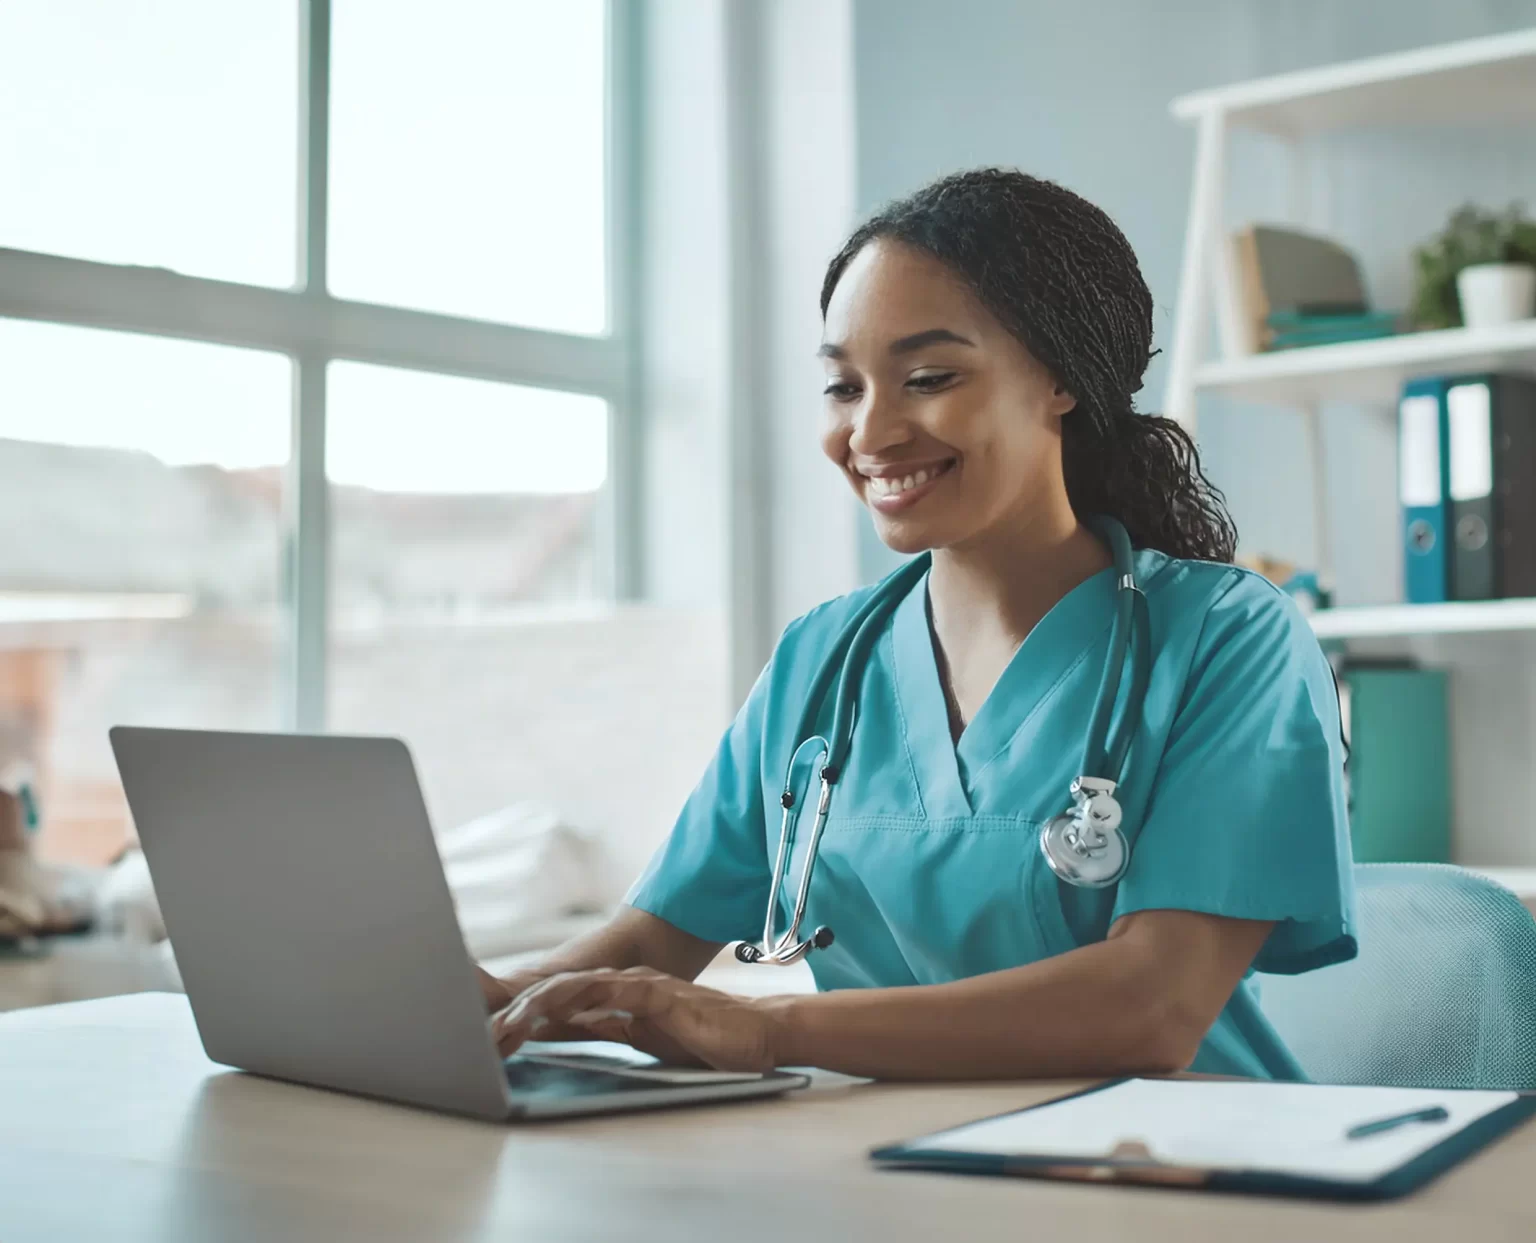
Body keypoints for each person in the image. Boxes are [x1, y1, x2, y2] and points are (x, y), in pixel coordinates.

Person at [481, 168, 1354, 1081]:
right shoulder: (822, 659)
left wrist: (774, 1030)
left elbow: (1153, 1007)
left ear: (1061, 377)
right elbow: (650, 942)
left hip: (1183, 1176)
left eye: (929, 378)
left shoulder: (1228, 636)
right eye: (843, 387)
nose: (873, 431)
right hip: (897, 1169)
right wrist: (483, 1001)